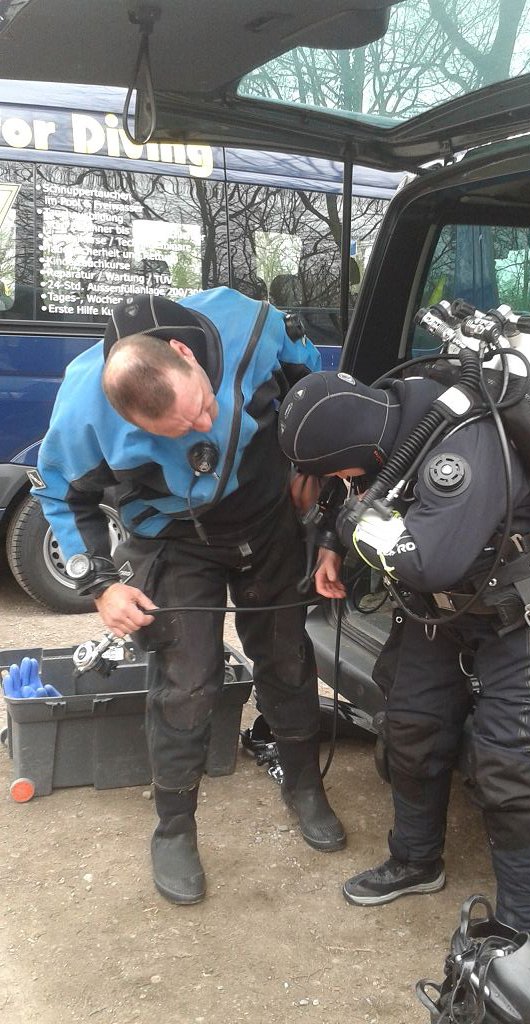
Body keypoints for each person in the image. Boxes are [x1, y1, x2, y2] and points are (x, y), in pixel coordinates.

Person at [32, 288, 346, 906]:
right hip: (173, 537)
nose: (202, 426)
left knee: (286, 657)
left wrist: (312, 468)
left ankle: (305, 785)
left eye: (201, 407)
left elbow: (317, 391)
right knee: (188, 680)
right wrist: (101, 585)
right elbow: (62, 495)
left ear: (186, 353)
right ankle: (174, 828)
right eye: (175, 431)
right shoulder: (82, 410)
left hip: (266, 516)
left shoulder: (251, 326)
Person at [277, 368, 530, 946]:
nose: (339, 482)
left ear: (359, 447)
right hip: (443, 612)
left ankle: (521, 934)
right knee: (410, 727)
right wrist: (332, 542)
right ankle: (416, 860)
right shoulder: (393, 429)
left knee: (510, 772)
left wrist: (352, 526)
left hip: (525, 614)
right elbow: (364, 497)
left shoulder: (461, 444)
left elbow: (424, 560)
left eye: (338, 471)